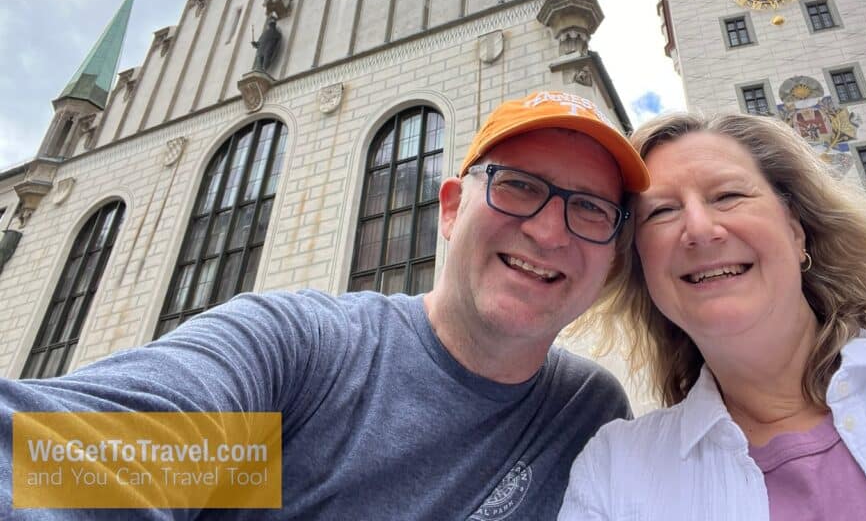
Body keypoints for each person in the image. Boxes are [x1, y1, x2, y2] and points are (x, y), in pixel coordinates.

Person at [0, 90, 649, 520]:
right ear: (451, 208)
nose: (549, 230)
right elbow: (67, 466)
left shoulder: (585, 415)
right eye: (519, 186)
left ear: (612, 254)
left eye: (589, 208)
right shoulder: (303, 361)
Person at [559, 111, 866, 521]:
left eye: (727, 195)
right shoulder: (616, 470)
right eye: (661, 212)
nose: (699, 229)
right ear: (643, 269)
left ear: (796, 232)